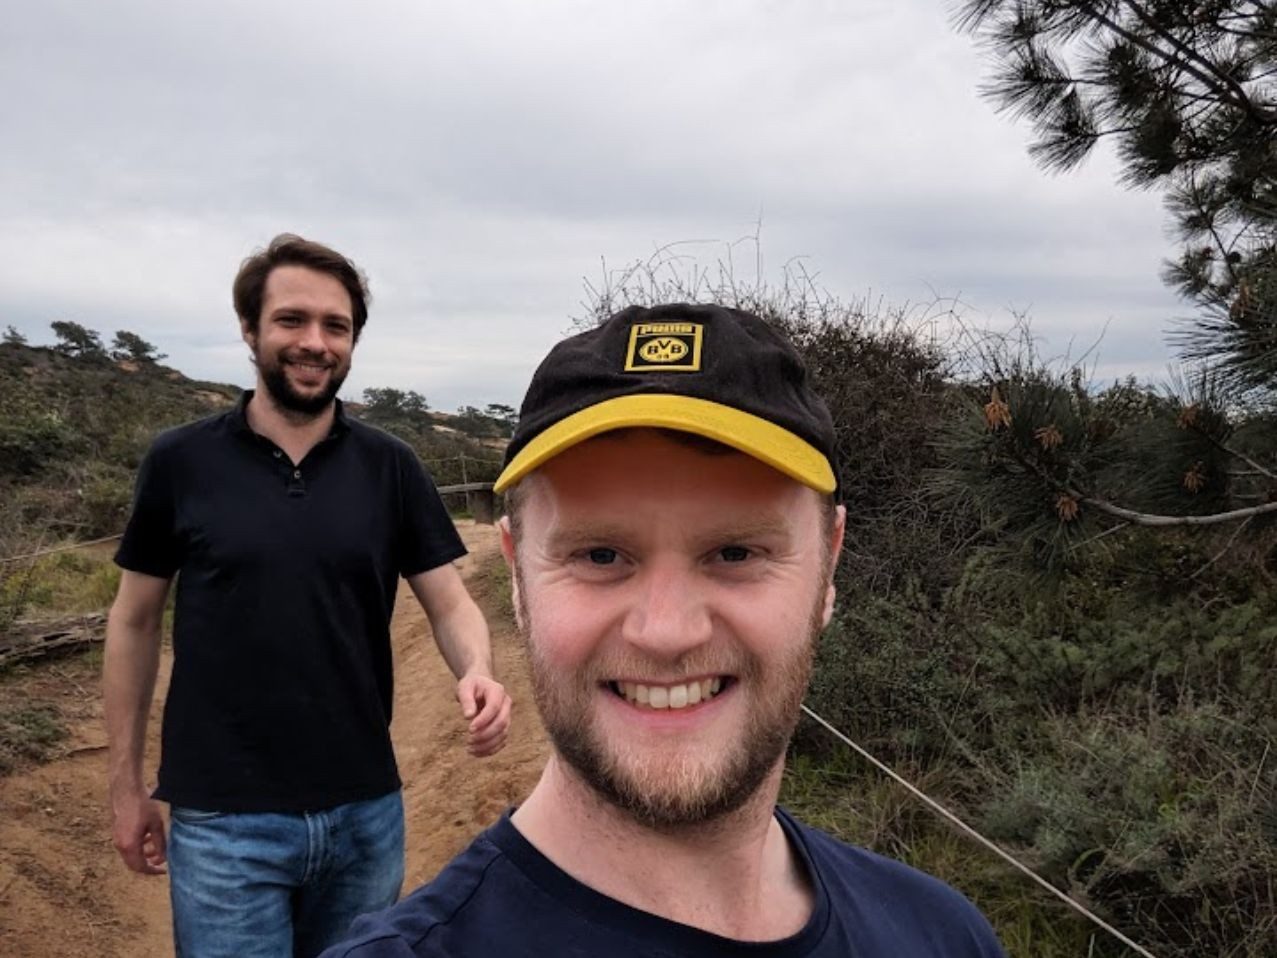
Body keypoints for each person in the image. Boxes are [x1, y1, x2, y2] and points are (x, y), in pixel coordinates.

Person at [323, 302, 1004, 956]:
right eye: (599, 556)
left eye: (735, 553)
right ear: (517, 577)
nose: (666, 632)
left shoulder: (943, 935)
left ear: (828, 565)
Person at [103, 234, 512, 958]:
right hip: (224, 823)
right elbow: (133, 623)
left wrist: (475, 668)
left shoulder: (391, 465)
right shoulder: (180, 461)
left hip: (366, 815)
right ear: (250, 329)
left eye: (336, 326)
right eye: (292, 320)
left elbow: (448, 602)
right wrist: (125, 786)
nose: (314, 342)